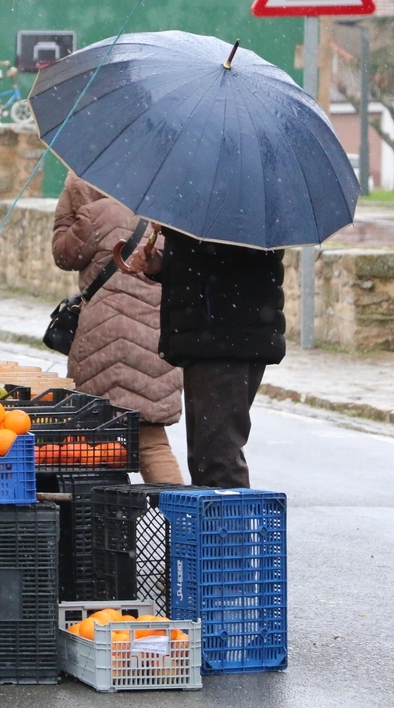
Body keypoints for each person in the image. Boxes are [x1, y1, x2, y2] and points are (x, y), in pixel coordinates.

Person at [125, 224, 286, 488]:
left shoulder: (238, 205)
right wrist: (162, 264)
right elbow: (204, 267)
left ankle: (229, 527)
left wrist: (175, 233)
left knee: (217, 458)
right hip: (209, 336)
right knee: (204, 456)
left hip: (228, 336)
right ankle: (214, 526)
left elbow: (228, 266)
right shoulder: (216, 202)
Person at [51, 172, 185, 484]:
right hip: (155, 338)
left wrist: (69, 210)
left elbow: (64, 254)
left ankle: (109, 525)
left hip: (103, 342)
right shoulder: (169, 213)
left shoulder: (98, 215)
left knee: (96, 443)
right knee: (153, 442)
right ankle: (181, 521)